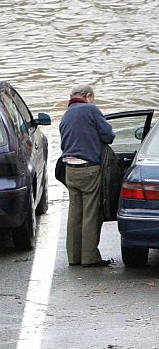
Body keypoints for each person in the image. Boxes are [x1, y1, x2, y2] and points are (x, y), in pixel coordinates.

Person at [59, 84, 115, 267]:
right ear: (88, 96)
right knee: (91, 214)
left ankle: (74, 257)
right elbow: (108, 136)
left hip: (70, 169)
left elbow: (64, 143)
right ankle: (89, 258)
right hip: (89, 169)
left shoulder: (67, 114)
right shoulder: (91, 109)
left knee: (75, 214)